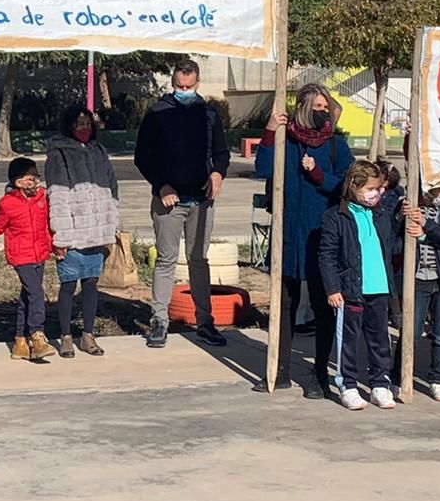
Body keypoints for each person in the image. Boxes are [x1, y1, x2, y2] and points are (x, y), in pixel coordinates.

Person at [255, 84, 353, 395]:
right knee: (283, 304)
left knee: (324, 307)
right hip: (289, 234)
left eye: (326, 107)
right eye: (317, 107)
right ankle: (279, 370)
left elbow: (346, 186)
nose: (322, 113)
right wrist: (270, 133)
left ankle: (320, 374)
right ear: (303, 107)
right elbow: (263, 168)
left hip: (322, 237)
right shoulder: (288, 142)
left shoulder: (336, 145)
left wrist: (319, 176)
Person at [134, 59, 232, 349]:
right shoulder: (158, 113)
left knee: (199, 260)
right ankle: (159, 321)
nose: (184, 90)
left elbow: (222, 153)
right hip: (169, 201)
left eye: (189, 86)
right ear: (172, 82)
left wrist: (218, 172)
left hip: (202, 200)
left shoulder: (209, 113)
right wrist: (161, 184)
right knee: (165, 260)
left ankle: (205, 322)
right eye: (179, 86)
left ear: (197, 83)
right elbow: (143, 156)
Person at [317, 161, 397, 410]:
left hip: (379, 288)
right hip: (351, 290)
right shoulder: (336, 216)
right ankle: (347, 385)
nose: (376, 193)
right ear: (354, 186)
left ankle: (380, 384)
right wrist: (332, 288)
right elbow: (327, 255)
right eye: (371, 188)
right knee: (348, 342)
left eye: (379, 188)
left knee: (380, 340)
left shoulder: (381, 214)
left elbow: (390, 246)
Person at [44, 103, 120, 359]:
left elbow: (111, 185)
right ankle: (66, 337)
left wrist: (110, 219)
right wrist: (62, 236)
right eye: (79, 124)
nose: (84, 128)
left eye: (87, 123)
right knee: (68, 286)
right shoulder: (59, 154)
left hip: (97, 233)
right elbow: (58, 195)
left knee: (91, 285)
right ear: (69, 126)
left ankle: (88, 335)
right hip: (73, 235)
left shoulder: (100, 151)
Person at [0, 156, 58, 361]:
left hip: (40, 253)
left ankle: (20, 341)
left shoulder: (42, 198)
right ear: (18, 182)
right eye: (31, 178)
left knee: (27, 297)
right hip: (21, 256)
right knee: (36, 293)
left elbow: (49, 225)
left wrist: (56, 246)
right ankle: (37, 335)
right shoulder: (7, 203)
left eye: (36, 177)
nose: (35, 182)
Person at [397, 185, 440, 402]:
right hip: (417, 279)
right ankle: (399, 377)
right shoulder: (407, 205)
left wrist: (425, 228)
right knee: (411, 333)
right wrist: (400, 216)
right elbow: (395, 240)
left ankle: (439, 379)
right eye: (439, 190)